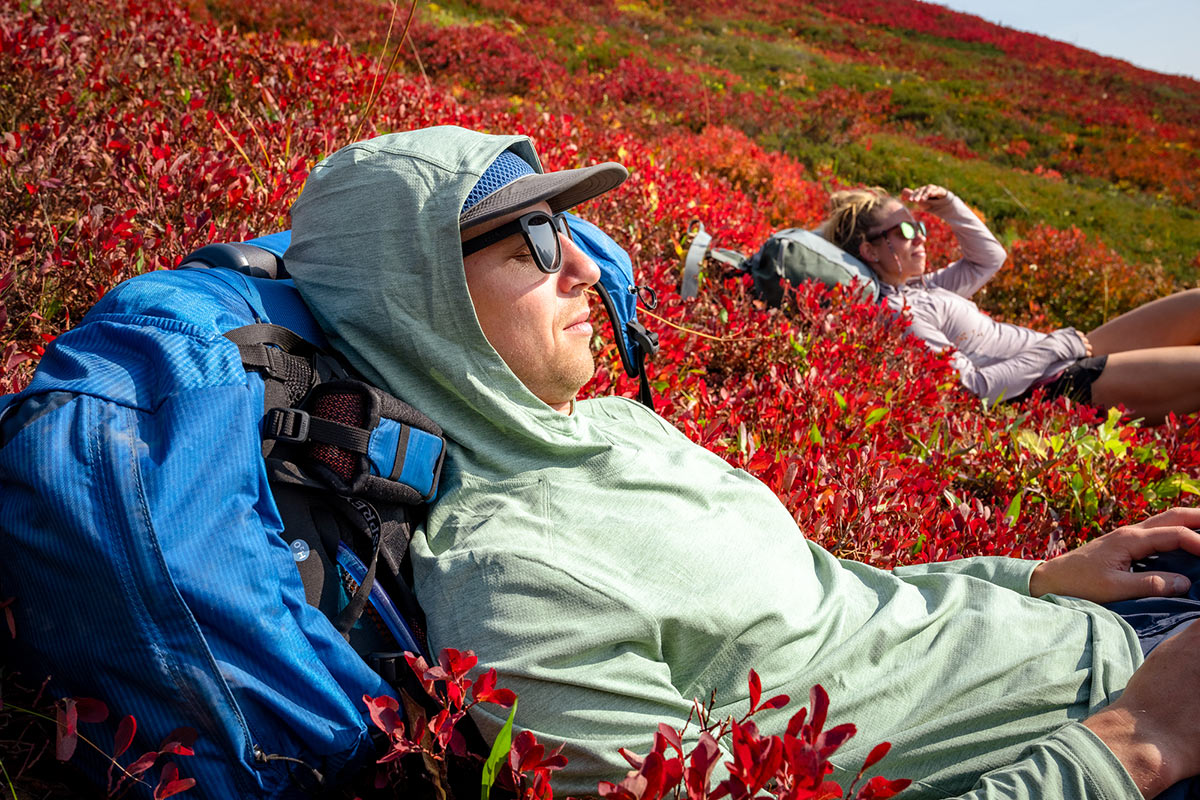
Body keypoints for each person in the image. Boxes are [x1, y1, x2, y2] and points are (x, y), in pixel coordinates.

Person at [284, 126, 1200, 800]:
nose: (589, 270)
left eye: (565, 226)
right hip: (1109, 731)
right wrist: (1131, 748)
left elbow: (816, 595)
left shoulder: (618, 425)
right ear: (420, 300)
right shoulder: (509, 577)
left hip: (1095, 624)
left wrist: (1035, 575)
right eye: (530, 240)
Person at [822, 185, 1200, 422]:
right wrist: (1057, 345)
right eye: (904, 231)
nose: (919, 237)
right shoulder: (901, 313)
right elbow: (975, 389)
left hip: (1066, 354)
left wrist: (949, 208)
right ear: (869, 250)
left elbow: (989, 259)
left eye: (918, 227)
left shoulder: (921, 288)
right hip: (1054, 385)